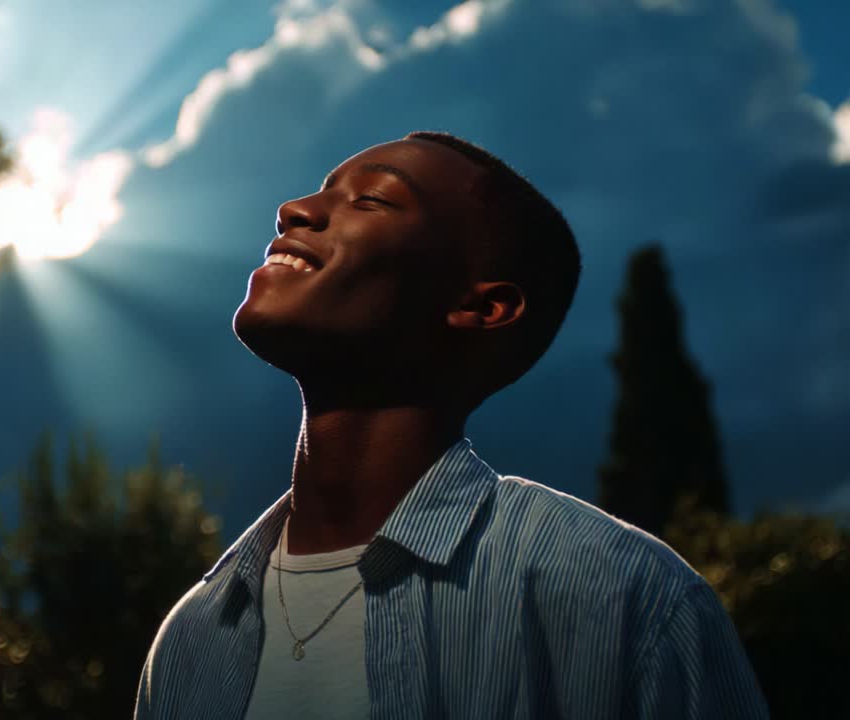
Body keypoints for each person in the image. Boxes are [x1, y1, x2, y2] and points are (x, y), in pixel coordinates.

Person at [133, 132, 768, 719]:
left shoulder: (623, 599)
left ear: (480, 305)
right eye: (322, 190)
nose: (294, 209)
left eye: (372, 200)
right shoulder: (193, 638)